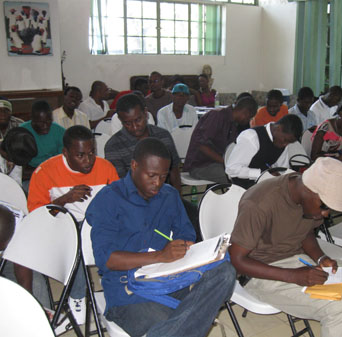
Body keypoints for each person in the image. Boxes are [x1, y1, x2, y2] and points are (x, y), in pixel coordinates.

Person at [86, 138, 235, 337]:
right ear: (134, 165)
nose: (157, 183)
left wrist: (184, 246)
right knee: (178, 322)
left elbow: (185, 232)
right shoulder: (109, 199)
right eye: (152, 175)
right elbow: (106, 260)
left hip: (169, 278)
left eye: (163, 176)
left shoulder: (169, 195)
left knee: (225, 271)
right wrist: (160, 256)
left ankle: (183, 322)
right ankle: (186, 321)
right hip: (129, 292)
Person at [229, 157, 342, 337]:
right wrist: (293, 276)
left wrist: (321, 258)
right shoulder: (259, 202)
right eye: (324, 206)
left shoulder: (310, 201)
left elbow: (305, 232)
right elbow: (237, 260)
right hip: (261, 273)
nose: (325, 213)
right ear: (309, 190)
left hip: (301, 262)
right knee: (340, 307)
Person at [27, 125, 119, 324]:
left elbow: (119, 203)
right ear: (65, 153)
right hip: (63, 226)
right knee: (75, 242)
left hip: (97, 223)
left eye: (92, 152)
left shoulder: (105, 168)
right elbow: (36, 217)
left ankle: (114, 286)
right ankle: (77, 296)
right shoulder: (45, 172)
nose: (88, 160)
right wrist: (64, 199)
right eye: (81, 155)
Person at [105, 94, 201, 239]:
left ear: (145, 113)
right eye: (127, 123)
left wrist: (177, 199)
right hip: (134, 203)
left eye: (138, 120)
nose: (135, 127)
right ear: (120, 120)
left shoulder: (162, 135)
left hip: (166, 194)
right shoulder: (113, 145)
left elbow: (174, 169)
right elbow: (123, 185)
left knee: (194, 219)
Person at [183, 96, 258, 184]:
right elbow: (202, 146)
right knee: (236, 176)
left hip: (215, 164)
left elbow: (230, 150)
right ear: (246, 112)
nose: (248, 121)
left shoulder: (232, 124)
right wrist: (225, 162)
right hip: (199, 165)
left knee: (241, 172)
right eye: (249, 118)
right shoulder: (217, 116)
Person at [225, 114, 302, 189]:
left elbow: (283, 169)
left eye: (289, 143)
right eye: (285, 140)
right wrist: (262, 174)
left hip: (265, 185)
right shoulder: (252, 137)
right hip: (243, 186)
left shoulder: (282, 142)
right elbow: (231, 169)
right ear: (278, 128)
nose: (285, 145)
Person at [20, 100, 65, 170]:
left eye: (49, 121)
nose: (45, 126)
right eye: (41, 122)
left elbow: (62, 159)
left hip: (54, 169)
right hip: (30, 170)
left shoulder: (60, 131)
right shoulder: (21, 132)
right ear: (32, 119)